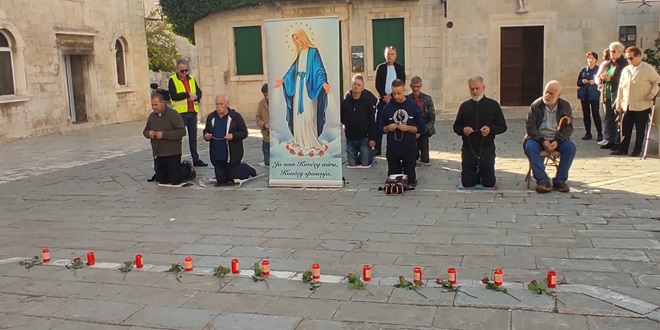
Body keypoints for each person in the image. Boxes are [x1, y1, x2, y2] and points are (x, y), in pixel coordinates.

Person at [274, 29, 330, 157]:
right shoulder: (299, 54)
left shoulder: (313, 52)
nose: (296, 41)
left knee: (308, 114)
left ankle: (311, 141)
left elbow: (319, 69)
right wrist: (283, 80)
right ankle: (299, 141)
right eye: (294, 39)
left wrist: (323, 83)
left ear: (302, 37)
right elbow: (292, 70)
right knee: (298, 116)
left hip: (309, 87)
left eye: (297, 38)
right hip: (298, 86)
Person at [452, 76, 507, 188]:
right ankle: (474, 176)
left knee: (488, 183)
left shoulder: (493, 105)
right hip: (469, 148)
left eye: (477, 88)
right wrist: (463, 130)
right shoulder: (465, 106)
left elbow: (502, 126)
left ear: (483, 87)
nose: (475, 91)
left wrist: (490, 130)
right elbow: (456, 127)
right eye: (472, 89)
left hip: (486, 147)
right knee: (467, 183)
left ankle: (483, 174)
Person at [523, 81, 576, 193]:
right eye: (546, 92)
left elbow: (568, 127)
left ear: (558, 96)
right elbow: (530, 127)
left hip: (557, 139)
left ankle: (560, 180)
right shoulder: (536, 105)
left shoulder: (564, 106)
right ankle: (543, 180)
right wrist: (542, 141)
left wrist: (558, 140)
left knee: (570, 147)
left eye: (551, 93)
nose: (547, 95)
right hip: (538, 139)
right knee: (530, 147)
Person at [611, 46, 660, 157]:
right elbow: (621, 87)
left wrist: (652, 93)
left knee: (640, 129)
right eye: (627, 58)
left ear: (638, 56)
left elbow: (657, 81)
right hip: (627, 104)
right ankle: (623, 149)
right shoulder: (626, 70)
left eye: (631, 58)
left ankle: (636, 150)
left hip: (642, 104)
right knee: (625, 127)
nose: (629, 60)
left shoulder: (647, 68)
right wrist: (618, 102)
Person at [380, 79, 425, 186]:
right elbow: (380, 128)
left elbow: (421, 128)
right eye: (394, 93)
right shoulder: (387, 108)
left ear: (404, 90)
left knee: (410, 180)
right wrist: (388, 128)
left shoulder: (413, 107)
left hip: (409, 147)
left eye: (399, 93)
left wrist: (408, 128)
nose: (396, 96)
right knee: (394, 180)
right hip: (393, 147)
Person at [203, 94, 248, 187]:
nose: (219, 107)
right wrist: (206, 136)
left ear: (227, 103)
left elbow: (244, 133)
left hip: (232, 154)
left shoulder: (235, 117)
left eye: (221, 104)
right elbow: (206, 130)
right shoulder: (211, 117)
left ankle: (247, 169)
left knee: (233, 179)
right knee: (221, 181)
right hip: (218, 154)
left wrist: (233, 136)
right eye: (217, 104)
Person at [168, 59, 207, 167]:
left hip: (192, 111)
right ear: (177, 69)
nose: (184, 73)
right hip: (180, 113)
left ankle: (196, 159)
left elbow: (199, 92)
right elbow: (173, 95)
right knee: (179, 137)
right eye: (182, 71)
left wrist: (196, 96)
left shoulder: (191, 79)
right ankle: (177, 159)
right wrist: (187, 94)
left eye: (186, 70)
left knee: (193, 137)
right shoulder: (172, 80)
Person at [143, 93, 186, 186]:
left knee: (175, 180)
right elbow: (145, 131)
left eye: (156, 105)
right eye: (152, 105)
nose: (154, 107)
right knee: (163, 181)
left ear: (162, 103)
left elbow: (182, 132)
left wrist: (164, 135)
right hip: (159, 154)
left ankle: (186, 169)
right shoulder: (152, 116)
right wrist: (148, 133)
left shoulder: (173, 114)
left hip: (173, 152)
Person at [340, 74, 377, 168]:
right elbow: (342, 117)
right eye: (354, 84)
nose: (356, 86)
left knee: (365, 163)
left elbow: (372, 121)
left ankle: (369, 156)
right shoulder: (345, 103)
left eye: (359, 85)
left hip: (364, 138)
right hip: (350, 138)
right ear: (351, 86)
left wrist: (372, 138)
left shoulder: (368, 103)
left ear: (362, 88)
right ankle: (357, 156)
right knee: (352, 164)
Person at [374, 46, 406, 155]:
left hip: (396, 100)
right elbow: (377, 84)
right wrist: (385, 96)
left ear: (395, 55)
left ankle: (397, 145)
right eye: (388, 54)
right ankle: (377, 148)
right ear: (385, 55)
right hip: (383, 100)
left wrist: (393, 97)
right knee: (379, 123)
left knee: (397, 122)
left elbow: (402, 83)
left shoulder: (400, 68)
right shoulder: (381, 68)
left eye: (392, 54)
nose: (390, 56)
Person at [599, 42, 628, 150]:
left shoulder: (624, 64)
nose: (611, 53)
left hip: (617, 92)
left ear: (620, 52)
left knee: (617, 117)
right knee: (608, 117)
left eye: (614, 51)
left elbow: (623, 79)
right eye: (610, 51)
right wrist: (602, 78)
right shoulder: (609, 63)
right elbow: (604, 74)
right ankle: (609, 140)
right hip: (606, 92)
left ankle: (618, 141)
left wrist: (611, 79)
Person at [407, 76, 436, 166]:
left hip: (424, 128)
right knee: (413, 157)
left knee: (425, 159)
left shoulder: (427, 99)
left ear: (421, 86)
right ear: (411, 86)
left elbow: (432, 117)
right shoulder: (407, 99)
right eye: (414, 86)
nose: (416, 89)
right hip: (412, 128)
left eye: (418, 86)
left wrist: (423, 129)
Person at [577, 51, 602, 141]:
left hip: (594, 95)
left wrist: (594, 82)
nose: (590, 60)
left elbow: (601, 81)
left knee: (595, 113)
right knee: (586, 114)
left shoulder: (598, 70)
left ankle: (599, 133)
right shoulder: (584, 70)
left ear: (596, 60)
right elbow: (578, 82)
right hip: (585, 95)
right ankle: (588, 132)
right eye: (589, 58)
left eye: (592, 58)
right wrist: (582, 81)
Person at [595, 48, 612, 146]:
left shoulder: (616, 65)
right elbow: (598, 76)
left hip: (611, 93)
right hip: (605, 92)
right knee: (607, 116)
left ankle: (609, 138)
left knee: (610, 117)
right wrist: (599, 83)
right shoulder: (605, 64)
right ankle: (607, 137)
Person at [255, 83, 270, 167]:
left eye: (268, 95)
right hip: (266, 136)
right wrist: (263, 124)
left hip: (276, 136)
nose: (267, 97)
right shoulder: (261, 103)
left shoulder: (278, 101)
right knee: (267, 163)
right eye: (265, 95)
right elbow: (257, 117)